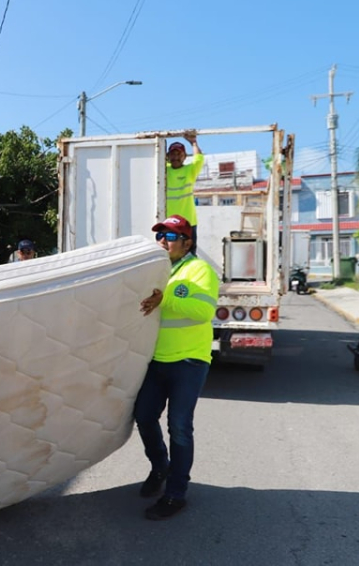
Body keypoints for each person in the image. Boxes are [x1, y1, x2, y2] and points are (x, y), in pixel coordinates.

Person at [135, 214, 219, 520]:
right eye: (160, 236)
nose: (163, 241)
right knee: (144, 416)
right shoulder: (157, 271)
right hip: (157, 359)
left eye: (170, 237)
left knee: (180, 426)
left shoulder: (199, 269)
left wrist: (165, 300)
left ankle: (175, 494)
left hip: (189, 361)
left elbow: (203, 311)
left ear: (187, 242)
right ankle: (160, 468)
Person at [166, 131, 205, 253]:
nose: (176, 157)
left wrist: (193, 143)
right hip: (168, 221)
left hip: (188, 222)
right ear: (168, 156)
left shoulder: (190, 171)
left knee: (189, 253)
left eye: (179, 154)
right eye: (173, 154)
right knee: (168, 253)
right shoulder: (163, 169)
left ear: (184, 156)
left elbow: (198, 159)